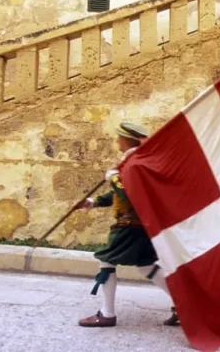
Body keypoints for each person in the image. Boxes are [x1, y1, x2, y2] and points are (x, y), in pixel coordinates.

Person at [77, 121, 179, 328]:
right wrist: (93, 202)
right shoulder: (136, 161)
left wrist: (114, 178)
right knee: (146, 266)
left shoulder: (134, 163)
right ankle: (182, 305)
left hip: (129, 226)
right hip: (141, 226)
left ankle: (107, 314)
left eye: (119, 138)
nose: (117, 141)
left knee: (106, 262)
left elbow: (128, 193)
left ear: (126, 139)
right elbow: (118, 195)